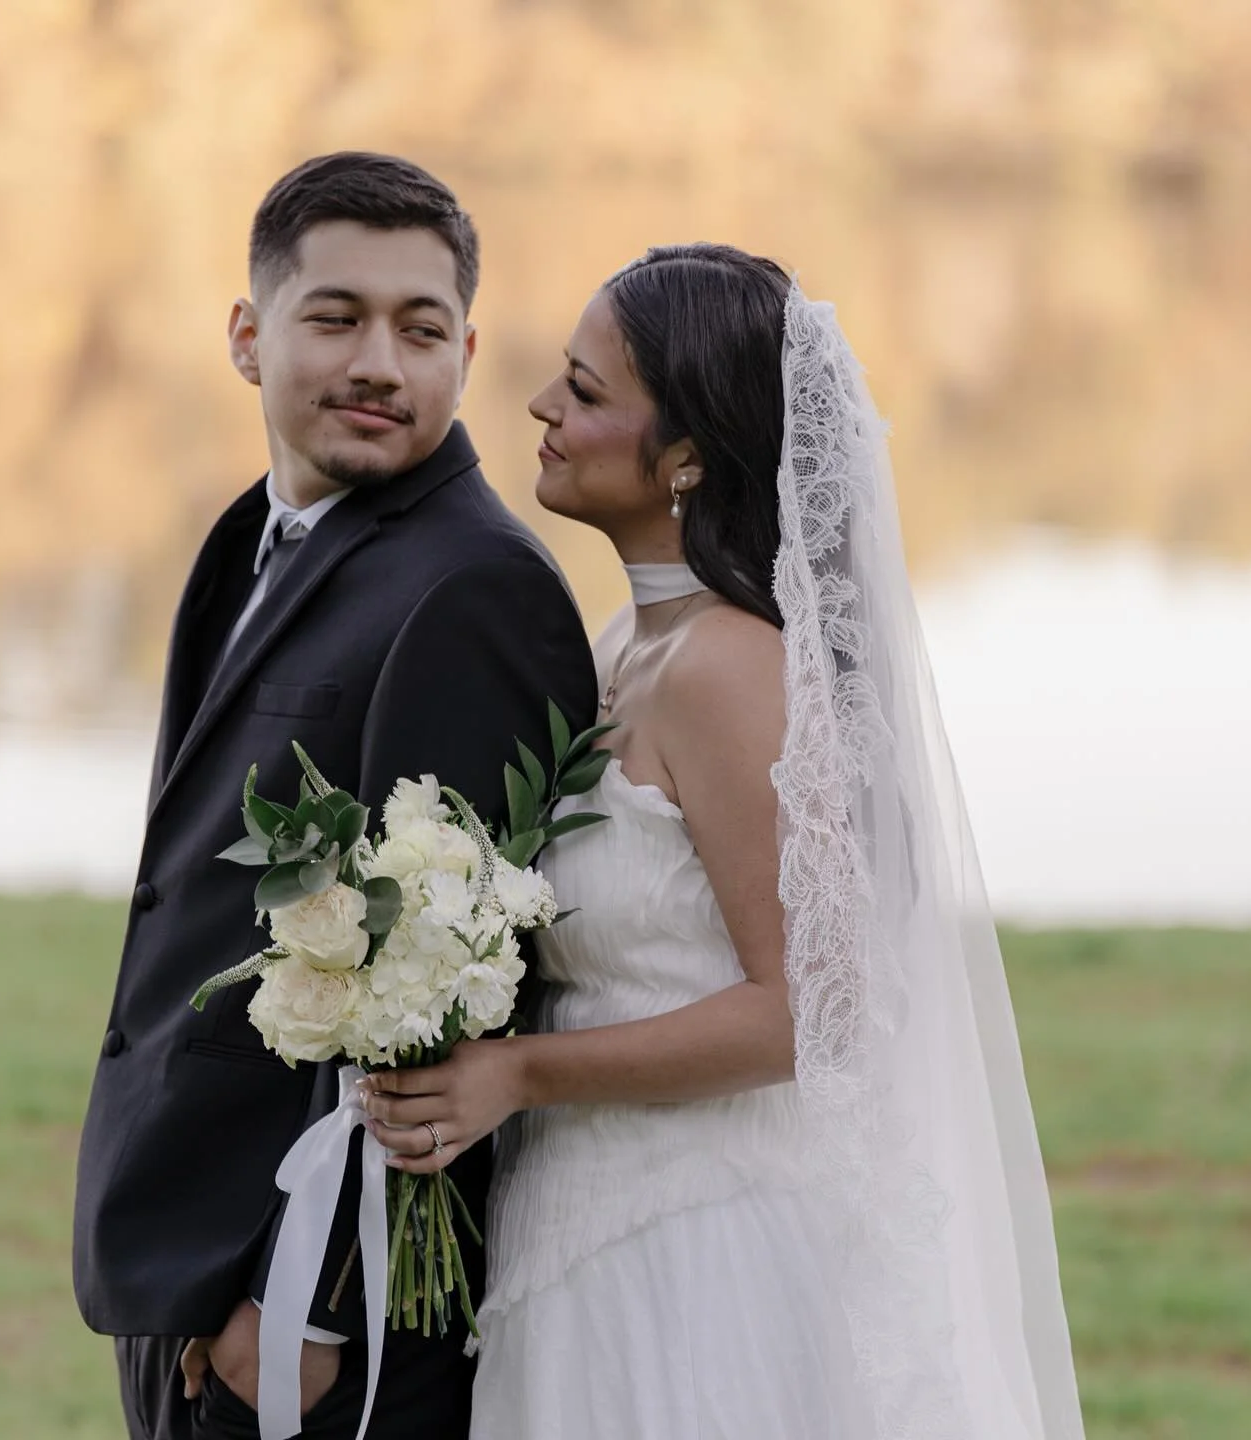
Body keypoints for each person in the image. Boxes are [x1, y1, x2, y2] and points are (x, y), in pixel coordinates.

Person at [359, 245, 1087, 1439]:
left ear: (688, 454)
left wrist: (520, 1073)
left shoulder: (728, 669)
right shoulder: (621, 647)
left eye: (587, 393)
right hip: (584, 1222)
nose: (543, 408)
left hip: (700, 1249)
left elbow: (810, 1009)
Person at [71, 152, 598, 1440]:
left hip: (304, 1324)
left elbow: (447, 992)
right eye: (336, 317)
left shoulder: (475, 590)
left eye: (422, 330)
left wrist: (313, 1313)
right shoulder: (244, 538)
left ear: (468, 350)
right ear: (249, 337)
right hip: (186, 1252)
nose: (381, 362)